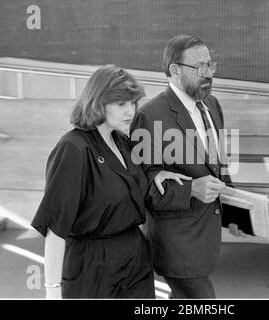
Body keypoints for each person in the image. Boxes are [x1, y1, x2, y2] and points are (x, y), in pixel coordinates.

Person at [31, 65, 190, 299]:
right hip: (92, 263)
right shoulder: (74, 148)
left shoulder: (123, 143)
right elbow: (55, 227)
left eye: (133, 103)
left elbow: (134, 188)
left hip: (134, 255)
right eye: (121, 104)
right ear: (98, 103)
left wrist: (157, 174)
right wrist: (52, 290)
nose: (131, 112)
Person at [130, 35, 231, 298]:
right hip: (177, 244)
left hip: (205, 235)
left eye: (211, 65)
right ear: (175, 70)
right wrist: (192, 189)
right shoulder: (149, 116)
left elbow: (217, 163)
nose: (208, 73)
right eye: (200, 67)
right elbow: (145, 188)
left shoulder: (212, 104)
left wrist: (235, 213)